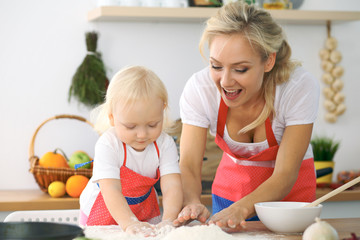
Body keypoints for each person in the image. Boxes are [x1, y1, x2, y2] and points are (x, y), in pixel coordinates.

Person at [174, 1, 320, 229]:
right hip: (229, 196)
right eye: (216, 66)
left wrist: (242, 208)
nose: (225, 81)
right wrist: (192, 202)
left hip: (289, 204)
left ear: (268, 61)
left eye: (240, 69)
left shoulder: (297, 87)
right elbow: (190, 165)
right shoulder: (200, 89)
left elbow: (285, 173)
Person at [79, 65, 183, 236]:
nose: (142, 135)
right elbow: (111, 189)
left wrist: (169, 219)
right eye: (130, 126)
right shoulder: (108, 144)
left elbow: (172, 185)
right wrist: (129, 223)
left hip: (144, 209)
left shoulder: (165, 144)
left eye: (152, 124)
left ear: (162, 111)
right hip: (103, 209)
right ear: (112, 117)